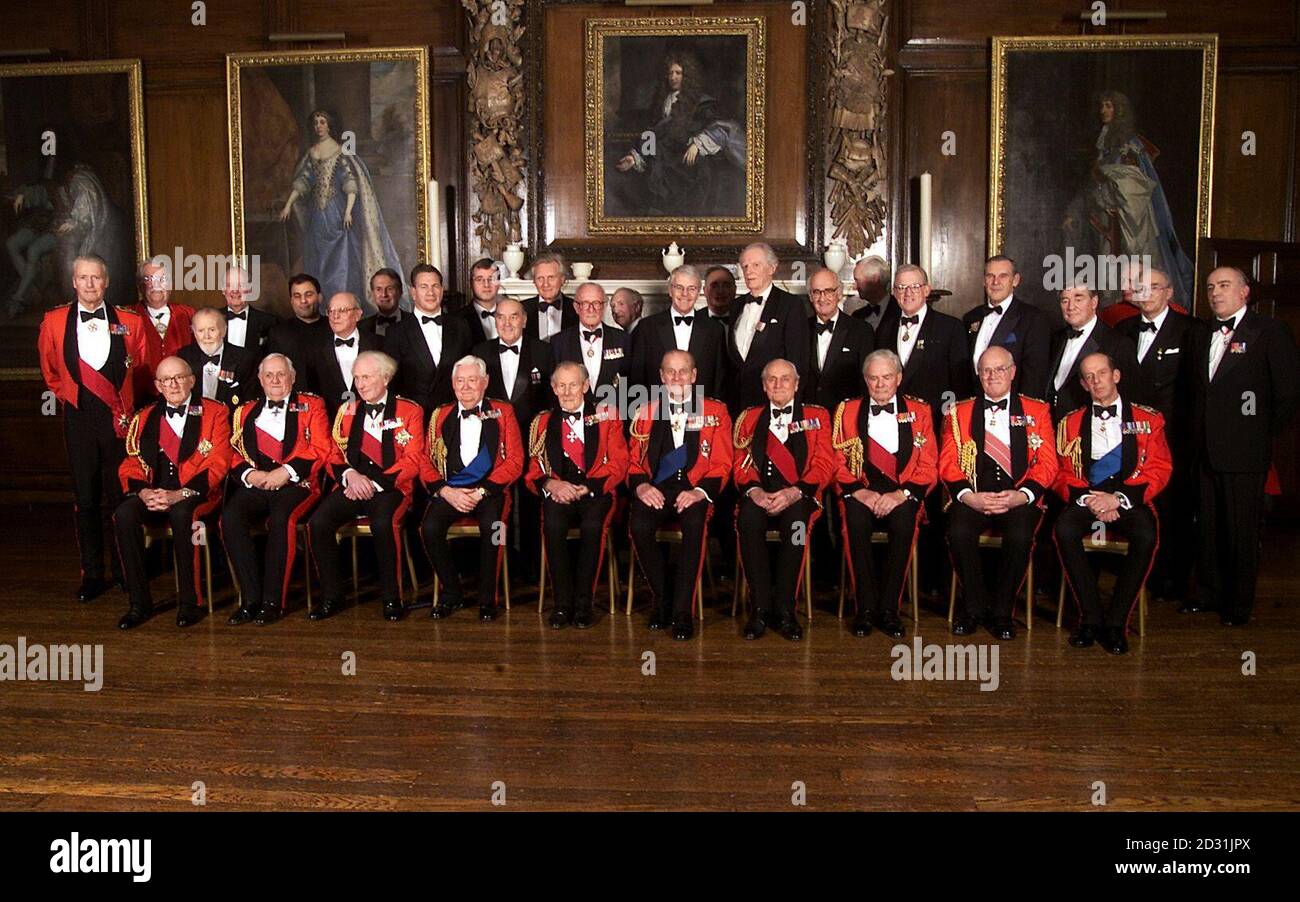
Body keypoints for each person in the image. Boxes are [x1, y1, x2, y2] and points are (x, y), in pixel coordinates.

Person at [1187, 267, 1300, 625]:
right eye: (1210, 287)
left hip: (1245, 452)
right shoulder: (1201, 332)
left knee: (1241, 530)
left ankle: (1237, 605)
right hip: (1205, 449)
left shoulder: (1269, 331)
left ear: (1245, 292)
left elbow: (1288, 395)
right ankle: (1207, 593)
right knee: (1207, 526)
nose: (1215, 293)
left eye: (1224, 285)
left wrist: (1256, 434)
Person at [38, 254, 149, 602]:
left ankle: (125, 570)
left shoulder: (130, 321)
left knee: (121, 496)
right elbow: (51, 372)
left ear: (106, 281)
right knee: (86, 498)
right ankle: (92, 574)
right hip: (80, 417)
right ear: (74, 282)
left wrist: (124, 408)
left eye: (95, 278)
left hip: (119, 419)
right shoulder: (54, 321)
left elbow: (143, 369)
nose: (89, 284)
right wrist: (75, 398)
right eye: (82, 278)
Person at [1053, 352, 1172, 653]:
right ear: (1082, 383)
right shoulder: (1070, 423)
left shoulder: (1148, 419)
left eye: (1102, 373)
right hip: (1088, 496)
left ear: (1116, 376)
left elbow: (1159, 468)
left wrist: (1118, 499)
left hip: (1129, 496)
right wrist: (1092, 501)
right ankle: (1090, 618)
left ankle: (1117, 622)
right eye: (1089, 377)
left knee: (1146, 535)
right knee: (1064, 530)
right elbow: (1061, 473)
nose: (1096, 381)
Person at [943, 346, 1057, 639]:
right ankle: (974, 608)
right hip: (973, 495)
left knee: (1020, 536)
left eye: (999, 369)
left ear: (1013, 372)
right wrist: (969, 496)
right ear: (978, 375)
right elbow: (948, 461)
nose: (992, 376)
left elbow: (1047, 463)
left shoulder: (1037, 410)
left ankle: (1002, 612)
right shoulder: (959, 412)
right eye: (986, 371)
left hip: (1018, 496)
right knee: (958, 532)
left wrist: (1023, 495)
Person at [114, 356, 232, 628]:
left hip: (198, 494)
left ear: (192, 380)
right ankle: (139, 604)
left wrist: (180, 494)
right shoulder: (143, 417)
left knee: (183, 516)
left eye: (179, 377)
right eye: (167, 380)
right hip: (155, 493)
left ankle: (191, 603)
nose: (174, 384)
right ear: (158, 385)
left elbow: (219, 460)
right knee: (124, 514)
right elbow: (131, 462)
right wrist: (144, 493)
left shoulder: (214, 412)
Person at [308, 351, 425, 622]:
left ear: (385, 377)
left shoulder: (410, 410)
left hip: (392, 487)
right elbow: (332, 452)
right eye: (357, 378)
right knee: (318, 523)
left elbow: (414, 459)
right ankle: (332, 596)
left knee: (382, 524)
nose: (360, 384)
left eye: (367, 377)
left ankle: (392, 598)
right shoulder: (347, 409)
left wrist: (372, 482)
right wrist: (350, 475)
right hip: (352, 484)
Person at [627, 350, 733, 640]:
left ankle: (682, 610)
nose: (676, 378)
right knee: (638, 525)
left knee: (694, 527)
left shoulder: (715, 411)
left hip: (694, 491)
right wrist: (642, 486)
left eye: (683, 371)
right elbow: (634, 461)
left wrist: (699, 491)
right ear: (661, 377)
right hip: (656, 490)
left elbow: (723, 462)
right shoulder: (645, 411)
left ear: (694, 375)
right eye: (670, 372)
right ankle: (663, 600)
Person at [832, 350, 937, 638]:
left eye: (887, 377)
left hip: (902, 493)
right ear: (865, 380)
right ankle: (865, 608)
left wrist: (900, 494)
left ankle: (890, 608)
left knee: (903, 526)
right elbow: (837, 461)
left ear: (899, 378)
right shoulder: (847, 410)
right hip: (861, 491)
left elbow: (929, 465)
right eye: (874, 378)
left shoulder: (921, 411)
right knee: (855, 523)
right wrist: (858, 492)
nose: (880, 384)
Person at [222, 354, 331, 625]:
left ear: (292, 378)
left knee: (282, 518)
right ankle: (250, 599)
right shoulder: (245, 411)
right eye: (269, 375)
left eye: (281, 374)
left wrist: (286, 472)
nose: (275, 380)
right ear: (259, 380)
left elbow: (321, 448)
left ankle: (273, 601)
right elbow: (232, 453)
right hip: (258, 482)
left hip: (297, 483)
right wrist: (251, 475)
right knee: (231, 518)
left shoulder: (312, 405)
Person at [1116, 266, 1203, 602]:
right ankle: (1140, 576)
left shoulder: (1190, 331)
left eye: (1155, 287)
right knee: (1137, 502)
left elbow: (1197, 390)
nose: (1147, 292)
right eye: (1142, 287)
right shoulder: (1123, 330)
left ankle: (1173, 580)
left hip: (1173, 437)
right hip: (1129, 435)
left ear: (1169, 293)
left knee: (1174, 509)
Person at [732, 359, 835, 641]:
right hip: (760, 495)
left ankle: (786, 609)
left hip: (800, 497)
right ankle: (761, 608)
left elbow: (824, 464)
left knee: (796, 529)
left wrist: (795, 491)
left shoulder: (817, 417)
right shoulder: (749, 418)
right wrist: (755, 491)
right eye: (772, 380)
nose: (778, 385)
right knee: (748, 521)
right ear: (764, 386)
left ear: (797, 384)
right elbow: (740, 463)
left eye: (785, 379)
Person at [1061, 90, 1195, 306]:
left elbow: (1134, 184)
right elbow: (1092, 184)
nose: (1103, 110)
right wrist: (1074, 211)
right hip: (1106, 221)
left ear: (1119, 109)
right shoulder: (1104, 144)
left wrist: (1108, 178)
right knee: (1107, 272)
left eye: (1109, 106)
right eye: (1102, 106)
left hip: (1129, 220)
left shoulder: (1129, 145)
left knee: (1131, 267)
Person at [525, 362, 629, 629]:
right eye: (561, 385)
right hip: (559, 490)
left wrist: (590, 486)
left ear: (585, 386)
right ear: (553, 387)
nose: (567, 391)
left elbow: (619, 462)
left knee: (592, 527)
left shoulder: (608, 415)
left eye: (573, 385)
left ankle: (584, 603)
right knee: (553, 525)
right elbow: (534, 469)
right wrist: (550, 484)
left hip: (595, 491)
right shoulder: (542, 423)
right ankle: (562, 604)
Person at [420, 356, 524, 621]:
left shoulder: (502, 411)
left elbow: (515, 461)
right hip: (452, 490)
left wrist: (481, 491)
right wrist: (445, 491)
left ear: (485, 382)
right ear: (453, 384)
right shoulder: (440, 415)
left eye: (472, 380)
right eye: (460, 381)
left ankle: (489, 599)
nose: (466, 387)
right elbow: (424, 460)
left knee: (495, 530)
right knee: (428, 528)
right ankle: (452, 593)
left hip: (490, 491)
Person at [276, 109, 403, 307]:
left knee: (341, 261)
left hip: (337, 213)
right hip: (318, 216)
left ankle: (343, 304)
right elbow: (303, 182)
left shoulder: (339, 151)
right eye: (316, 122)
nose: (319, 126)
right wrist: (288, 205)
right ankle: (324, 305)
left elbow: (350, 184)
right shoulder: (312, 153)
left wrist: (347, 211)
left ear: (329, 125)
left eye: (322, 122)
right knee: (319, 259)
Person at [474, 298, 554, 582]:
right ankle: (502, 565)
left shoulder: (544, 352)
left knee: (532, 504)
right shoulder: (480, 352)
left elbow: (551, 401)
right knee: (497, 504)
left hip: (533, 442)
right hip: (496, 446)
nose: (507, 323)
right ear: (495, 321)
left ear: (524, 319)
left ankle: (532, 567)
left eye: (513, 317)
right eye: (501, 317)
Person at [611, 53, 745, 217]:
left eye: (678, 73)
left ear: (687, 75)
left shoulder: (701, 103)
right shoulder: (663, 102)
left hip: (690, 160)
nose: (673, 77)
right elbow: (653, 133)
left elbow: (719, 127)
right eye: (670, 73)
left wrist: (698, 144)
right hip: (664, 158)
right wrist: (635, 158)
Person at [726, 243, 810, 414]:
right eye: (745, 266)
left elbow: (798, 360)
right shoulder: (735, 306)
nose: (749, 271)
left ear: (772, 268)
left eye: (756, 265)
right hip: (736, 404)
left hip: (772, 405)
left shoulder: (790, 305)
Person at [628, 265, 726, 402]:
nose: (685, 294)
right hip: (658, 411)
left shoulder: (714, 330)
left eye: (691, 288)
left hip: (702, 410)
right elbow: (637, 376)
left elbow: (719, 379)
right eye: (679, 287)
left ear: (699, 292)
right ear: (670, 291)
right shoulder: (647, 327)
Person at [383, 264, 473, 412]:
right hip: (414, 416)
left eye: (435, 286)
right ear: (413, 292)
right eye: (424, 287)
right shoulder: (396, 332)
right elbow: (391, 384)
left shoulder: (460, 326)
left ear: (442, 290)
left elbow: (470, 372)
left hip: (454, 415)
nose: (430, 292)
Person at [1046, 282, 1141, 420]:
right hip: (1051, 425)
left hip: (1091, 427)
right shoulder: (1056, 339)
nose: (1071, 307)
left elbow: (1132, 395)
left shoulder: (1118, 343)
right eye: (1065, 301)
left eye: (1078, 299)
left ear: (1094, 302)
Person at [962, 256, 1051, 396]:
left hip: (1013, 408)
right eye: (990, 276)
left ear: (1015, 280)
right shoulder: (971, 317)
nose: (995, 282)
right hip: (974, 406)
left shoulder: (1033, 318)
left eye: (1003, 276)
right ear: (983, 281)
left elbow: (1034, 376)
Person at [804, 266, 875, 410]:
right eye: (816, 292)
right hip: (808, 416)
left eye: (829, 291)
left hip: (845, 416)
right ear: (810, 296)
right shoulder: (800, 329)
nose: (822, 298)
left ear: (839, 293)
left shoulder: (861, 330)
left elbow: (866, 380)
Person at [306, 292, 383, 415]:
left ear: (358, 315)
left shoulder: (379, 345)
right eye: (331, 311)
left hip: (370, 421)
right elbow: (311, 390)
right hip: (329, 421)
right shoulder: (315, 347)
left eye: (342, 310)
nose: (335, 316)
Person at [550, 283, 629, 399]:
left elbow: (631, 381)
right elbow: (554, 386)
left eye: (596, 303)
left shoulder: (622, 339)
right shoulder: (559, 342)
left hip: (613, 414)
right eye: (585, 304)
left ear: (604, 306)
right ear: (576, 307)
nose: (591, 309)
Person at [131, 260, 194, 401]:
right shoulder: (128, 317)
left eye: (163, 279)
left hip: (183, 397)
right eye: (149, 279)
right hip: (141, 398)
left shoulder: (188, 314)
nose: (156, 284)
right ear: (140, 285)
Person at [178, 307, 257, 409]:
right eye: (201, 331)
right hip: (196, 418)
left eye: (212, 330)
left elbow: (249, 401)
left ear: (224, 330)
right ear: (194, 332)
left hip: (230, 419)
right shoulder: (184, 356)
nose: (206, 336)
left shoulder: (245, 358)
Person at [267, 273, 331, 377]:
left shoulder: (334, 327)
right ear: (291, 301)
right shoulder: (278, 333)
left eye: (309, 294)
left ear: (320, 297)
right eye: (297, 296)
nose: (303, 301)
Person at [221, 265, 276, 356]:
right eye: (230, 285)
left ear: (250, 289)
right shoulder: (211, 320)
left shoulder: (269, 322)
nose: (235, 291)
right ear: (223, 290)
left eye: (241, 285)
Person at [522, 253, 577, 342]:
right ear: (534, 281)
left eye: (551, 278)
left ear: (562, 279)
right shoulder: (522, 309)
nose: (546, 284)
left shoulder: (577, 309)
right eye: (540, 278)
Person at [848, 256, 898, 332]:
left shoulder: (900, 312)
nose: (854, 287)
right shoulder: (857, 316)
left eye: (858, 280)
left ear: (874, 279)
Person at [458, 258, 501, 345]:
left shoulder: (512, 317)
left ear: (499, 283)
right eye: (479, 279)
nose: (486, 285)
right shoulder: (457, 320)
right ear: (471, 284)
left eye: (491, 279)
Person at [360, 267, 406, 339]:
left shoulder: (415, 323)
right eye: (378, 289)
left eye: (389, 289)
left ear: (400, 292)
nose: (384, 294)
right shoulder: (361, 327)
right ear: (372, 293)